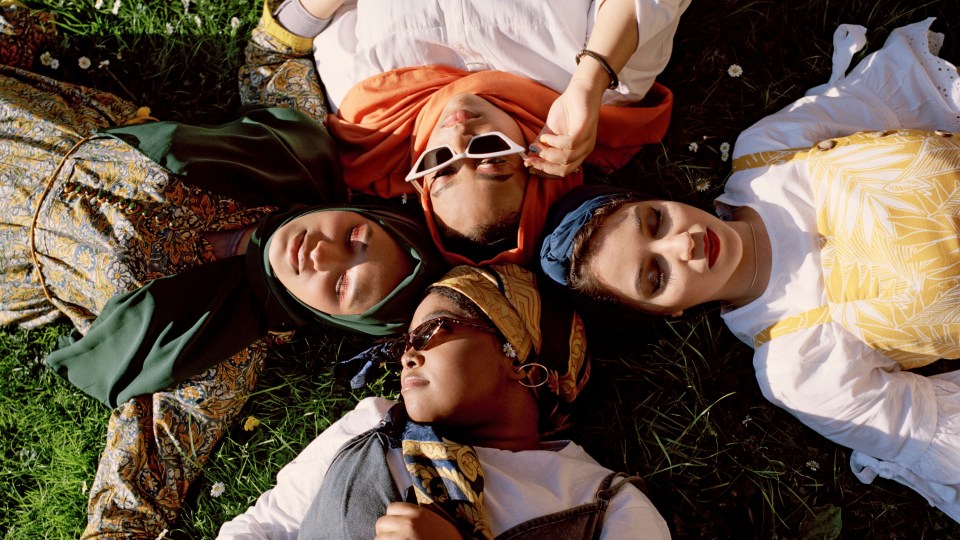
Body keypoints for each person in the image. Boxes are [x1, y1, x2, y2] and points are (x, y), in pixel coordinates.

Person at [0, 33, 446, 536]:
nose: (323, 255)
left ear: (333, 319)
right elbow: (275, 53)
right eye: (355, 235)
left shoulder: (223, 350)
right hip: (35, 118)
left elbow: (145, 476)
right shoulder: (292, 159)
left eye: (340, 288)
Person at [538, 18, 960, 522]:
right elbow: (926, 426)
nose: (683, 243)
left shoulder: (764, 154)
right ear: (669, 313)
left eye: (655, 220)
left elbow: (903, 95)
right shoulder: (795, 366)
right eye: (656, 276)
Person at [218, 263, 671, 539]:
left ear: (523, 360)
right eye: (405, 343)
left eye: (435, 330)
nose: (407, 355)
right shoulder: (371, 424)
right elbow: (266, 525)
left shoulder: (608, 506)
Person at [241, 0, 689, 265]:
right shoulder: (608, 84)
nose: (457, 138)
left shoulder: (365, 109)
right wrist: (589, 82)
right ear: (539, 156)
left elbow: (294, 30)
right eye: (492, 154)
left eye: (439, 165)